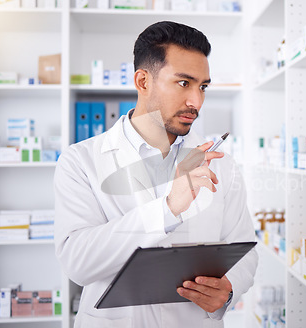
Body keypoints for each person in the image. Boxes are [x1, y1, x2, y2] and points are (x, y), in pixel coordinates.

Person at [54, 21, 258, 328]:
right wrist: (167, 208)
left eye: (202, 86)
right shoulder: (80, 161)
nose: (197, 102)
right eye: (183, 83)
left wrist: (228, 291)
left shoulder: (221, 164)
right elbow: (78, 264)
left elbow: (244, 249)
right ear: (143, 80)